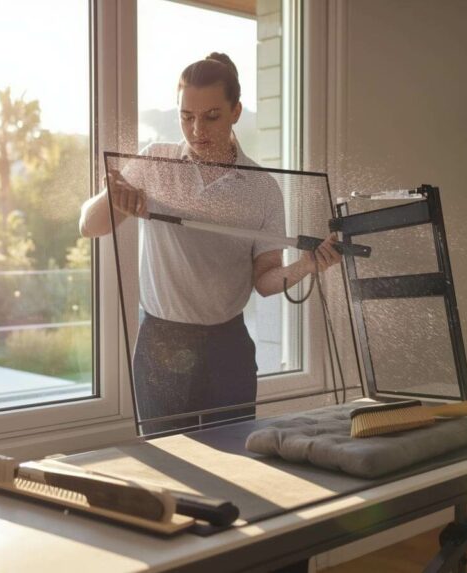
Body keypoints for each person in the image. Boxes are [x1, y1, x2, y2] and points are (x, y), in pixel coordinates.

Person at [79, 53, 341, 433]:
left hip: (228, 346)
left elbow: (265, 282)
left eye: (211, 116)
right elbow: (90, 226)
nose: (197, 129)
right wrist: (111, 193)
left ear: (236, 111)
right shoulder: (155, 162)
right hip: (161, 343)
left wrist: (307, 265)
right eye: (186, 116)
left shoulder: (263, 188)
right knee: (169, 466)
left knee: (234, 458)